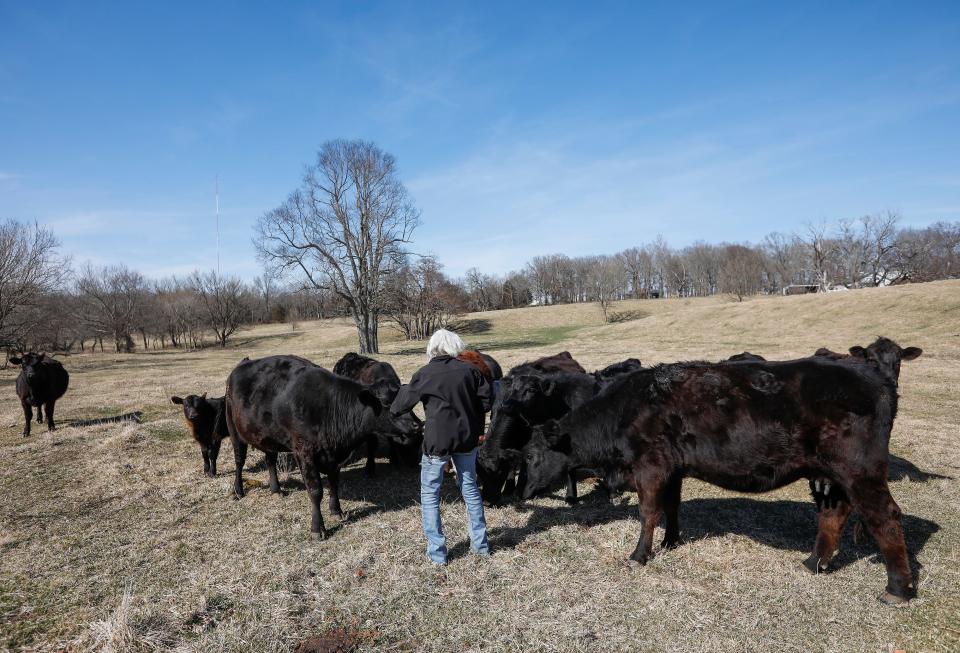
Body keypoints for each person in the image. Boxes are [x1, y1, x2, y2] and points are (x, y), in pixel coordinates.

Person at [390, 328, 492, 565]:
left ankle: (437, 554)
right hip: (467, 440)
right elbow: (487, 402)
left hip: (437, 442)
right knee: (470, 489)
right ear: (456, 346)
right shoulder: (471, 371)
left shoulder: (425, 374)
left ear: (432, 348)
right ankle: (481, 546)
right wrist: (470, 415)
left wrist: (409, 390)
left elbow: (398, 408)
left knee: (430, 495)